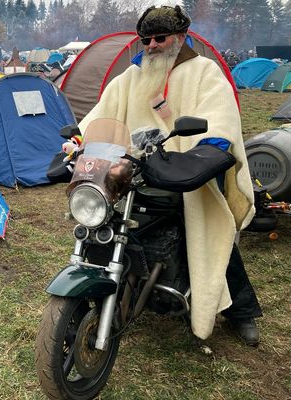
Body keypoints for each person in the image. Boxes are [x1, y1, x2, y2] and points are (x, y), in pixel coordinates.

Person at [79, 5, 262, 345]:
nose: (151, 46)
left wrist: (211, 147)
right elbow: (99, 115)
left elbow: (221, 116)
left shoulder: (204, 71)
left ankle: (242, 312)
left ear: (180, 38)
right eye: (145, 40)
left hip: (192, 173)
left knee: (209, 233)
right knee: (113, 226)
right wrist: (78, 141)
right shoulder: (130, 77)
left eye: (159, 38)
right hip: (137, 173)